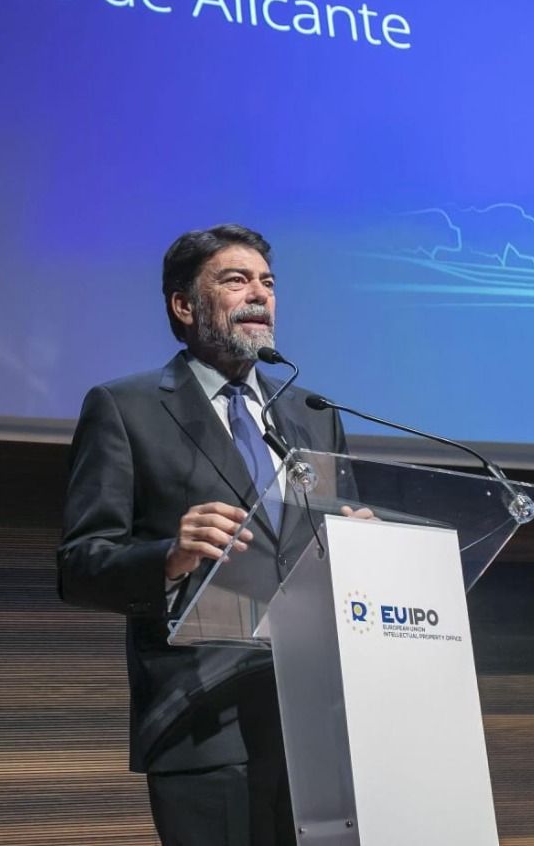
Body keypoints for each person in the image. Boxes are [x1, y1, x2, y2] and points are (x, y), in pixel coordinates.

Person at [57, 224, 349, 846]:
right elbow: (81, 565)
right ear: (184, 305)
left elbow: (325, 553)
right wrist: (169, 556)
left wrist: (360, 547)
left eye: (267, 283)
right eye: (235, 279)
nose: (259, 294)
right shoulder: (125, 408)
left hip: (315, 719)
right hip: (202, 717)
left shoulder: (312, 416)